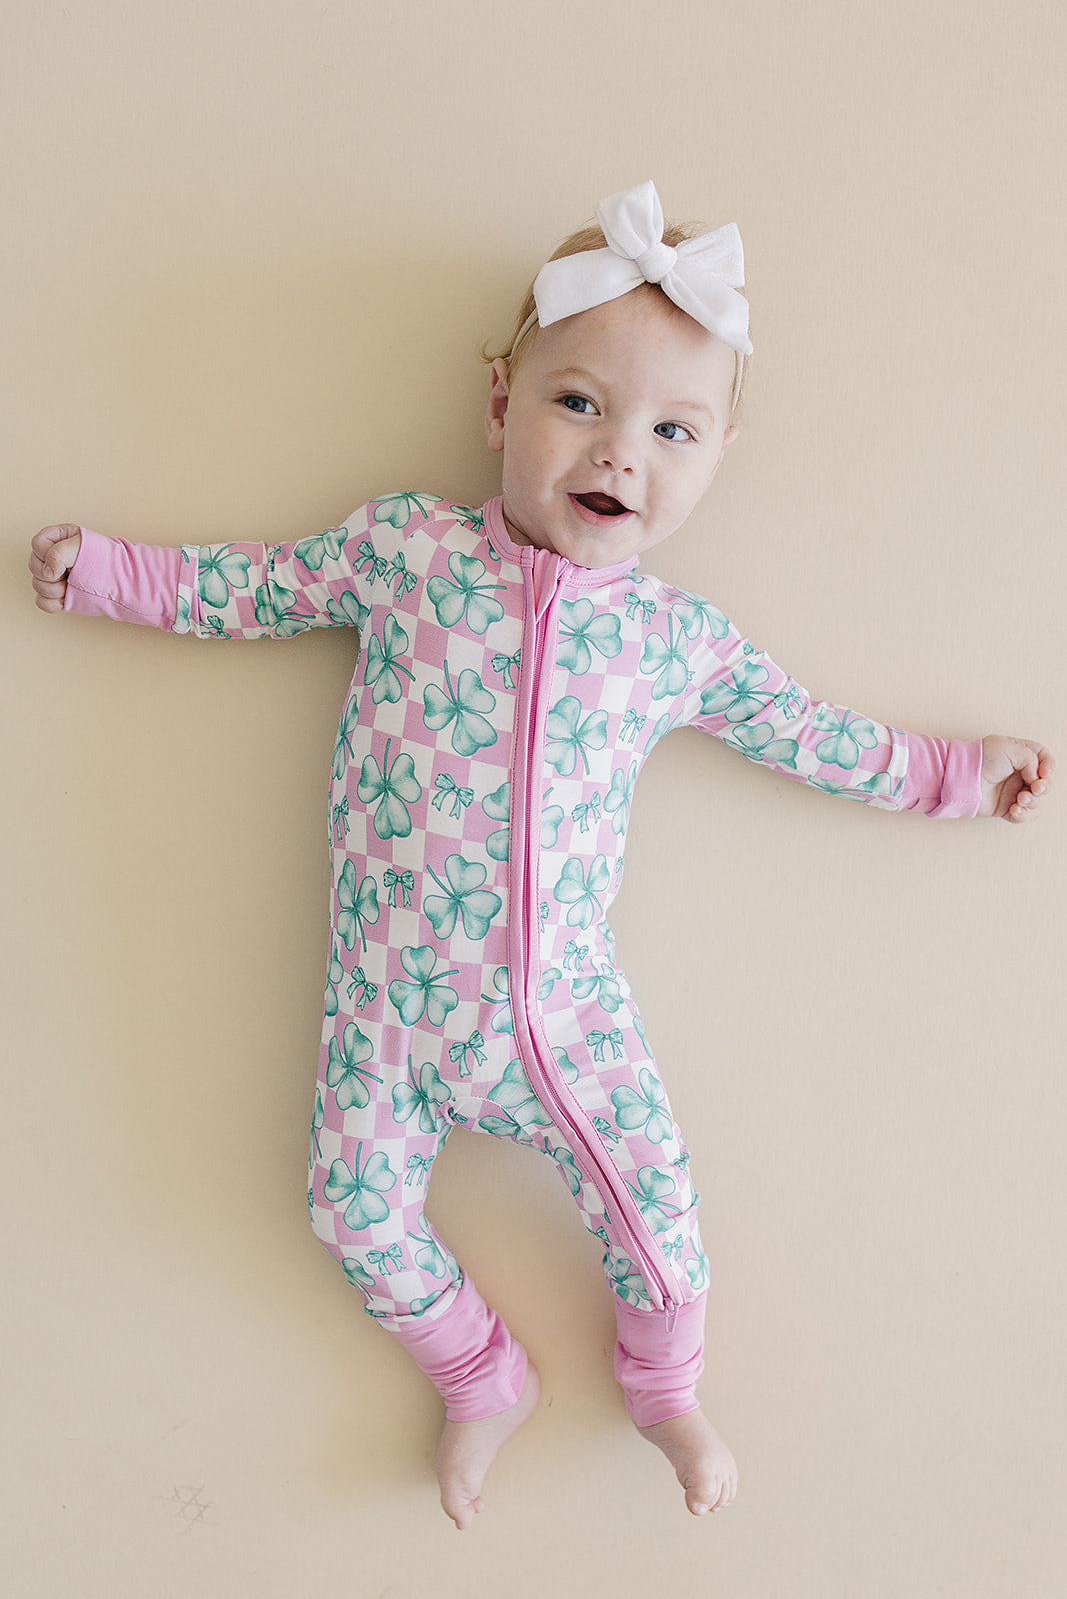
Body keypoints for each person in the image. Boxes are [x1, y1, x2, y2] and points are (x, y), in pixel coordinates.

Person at [29, 180, 1053, 1532]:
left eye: (672, 430)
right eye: (580, 403)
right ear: (501, 405)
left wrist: (958, 776)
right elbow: (259, 585)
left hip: (563, 1019)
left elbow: (810, 734)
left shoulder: (675, 641)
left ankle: (665, 1392)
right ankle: (481, 1376)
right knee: (352, 1217)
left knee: (663, 1227)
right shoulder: (406, 550)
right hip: (386, 1010)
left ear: (719, 453)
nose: (620, 453)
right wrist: (108, 572)